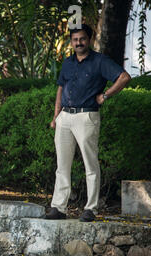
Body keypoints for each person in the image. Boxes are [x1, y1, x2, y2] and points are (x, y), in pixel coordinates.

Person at [46, 24, 131, 222]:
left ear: (90, 40)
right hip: (65, 117)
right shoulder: (67, 63)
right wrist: (55, 116)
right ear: (71, 41)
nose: (78, 43)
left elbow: (124, 77)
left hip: (87, 116)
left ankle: (90, 208)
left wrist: (105, 95)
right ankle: (59, 207)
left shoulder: (100, 61)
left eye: (82, 39)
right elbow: (60, 89)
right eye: (75, 39)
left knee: (90, 164)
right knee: (62, 165)